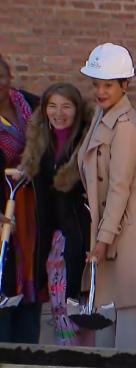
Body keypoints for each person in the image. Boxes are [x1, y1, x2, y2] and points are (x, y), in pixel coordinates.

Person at [77, 43, 136, 350]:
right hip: (113, 228)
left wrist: (103, 241)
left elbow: (119, 186)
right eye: (97, 84)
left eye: (108, 85)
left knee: (128, 334)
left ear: (125, 84)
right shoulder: (101, 115)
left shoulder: (127, 125)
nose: (101, 91)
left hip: (131, 233)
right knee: (105, 326)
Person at [20, 83, 92, 345]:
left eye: (66, 106)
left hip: (82, 236)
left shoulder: (87, 143)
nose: (58, 113)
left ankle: (87, 364)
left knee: (83, 306)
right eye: (52, 106)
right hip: (55, 237)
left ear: (77, 110)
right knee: (60, 304)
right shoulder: (40, 143)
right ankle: (68, 357)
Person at [0, 54, 42, 344]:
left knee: (31, 275)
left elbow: (52, 146)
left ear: (10, 76)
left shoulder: (31, 105)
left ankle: (28, 354)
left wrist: (34, 164)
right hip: (3, 210)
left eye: (1, 77)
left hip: (33, 209)